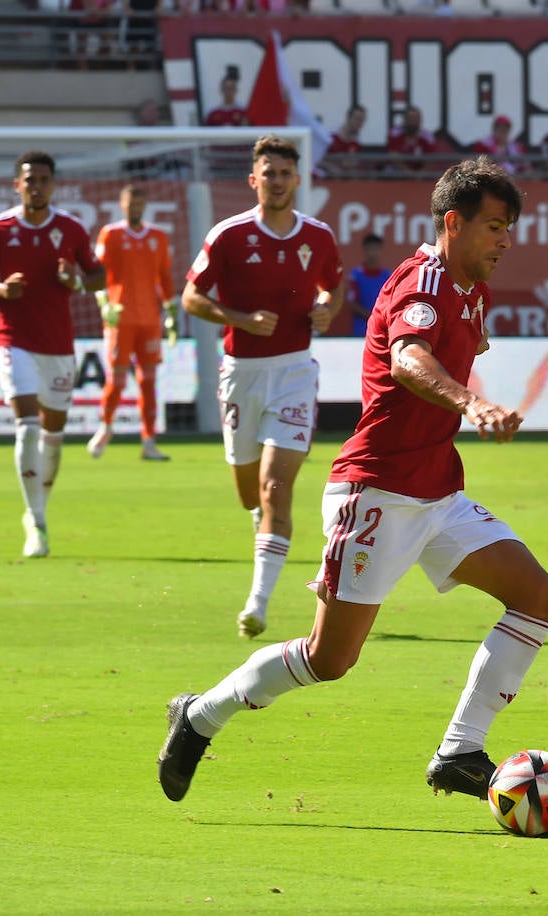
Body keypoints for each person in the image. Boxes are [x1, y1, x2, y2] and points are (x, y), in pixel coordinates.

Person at [157, 156, 548, 806]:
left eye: (509, 227)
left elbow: (449, 345)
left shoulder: (470, 289)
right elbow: (408, 359)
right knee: (329, 659)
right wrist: (472, 402)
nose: (505, 240)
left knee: (537, 597)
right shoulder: (422, 283)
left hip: (438, 494)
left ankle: (460, 751)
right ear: (453, 223)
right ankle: (199, 715)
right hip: (375, 494)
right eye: (494, 226)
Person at [180, 134, 344, 638]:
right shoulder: (229, 235)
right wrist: (238, 318)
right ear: (253, 180)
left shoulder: (318, 236)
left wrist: (326, 309)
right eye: (268, 173)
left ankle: (258, 603)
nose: (276, 181)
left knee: (276, 487)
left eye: (284, 173)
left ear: (297, 180)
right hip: (241, 373)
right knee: (250, 492)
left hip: (294, 372)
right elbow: (190, 297)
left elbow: (333, 286)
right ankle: (261, 525)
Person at [0, 150, 106, 558]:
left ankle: (38, 510)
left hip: (58, 345)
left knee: (53, 436)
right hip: (13, 340)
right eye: (30, 180)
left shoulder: (71, 228)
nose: (37, 187)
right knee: (27, 426)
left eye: (44, 180)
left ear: (53, 185)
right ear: (17, 185)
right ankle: (37, 520)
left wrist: (75, 281)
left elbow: (98, 276)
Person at [88, 183, 180, 462]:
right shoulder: (111, 234)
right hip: (120, 319)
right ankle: (105, 428)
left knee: (148, 381)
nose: (135, 208)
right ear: (122, 205)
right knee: (116, 379)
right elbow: (97, 273)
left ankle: (149, 440)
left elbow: (164, 276)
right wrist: (104, 304)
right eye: (130, 204)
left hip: (149, 320)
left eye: (139, 204)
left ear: (145, 205)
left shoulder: (158, 236)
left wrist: (171, 312)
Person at [340, 232, 391, 338]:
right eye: (370, 249)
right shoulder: (355, 275)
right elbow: (352, 304)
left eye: (375, 249)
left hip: (383, 331)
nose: (372, 253)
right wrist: (373, 317)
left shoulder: (388, 276)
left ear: (380, 250)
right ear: (364, 250)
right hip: (361, 331)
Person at [386, 105, 438, 172]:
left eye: (415, 119)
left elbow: (430, 161)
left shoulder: (428, 137)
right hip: (397, 171)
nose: (412, 122)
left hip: (419, 173)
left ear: (420, 120)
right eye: (410, 119)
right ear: (404, 120)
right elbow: (393, 157)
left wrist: (420, 175)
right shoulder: (394, 133)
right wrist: (409, 173)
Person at [324, 103, 367, 176]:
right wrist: (330, 167)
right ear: (348, 118)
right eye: (357, 119)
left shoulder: (356, 142)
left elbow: (352, 164)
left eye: (362, 120)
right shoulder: (331, 135)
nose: (359, 123)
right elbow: (317, 159)